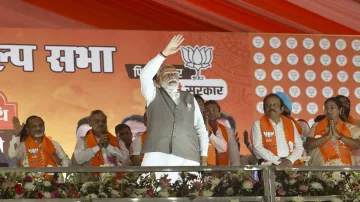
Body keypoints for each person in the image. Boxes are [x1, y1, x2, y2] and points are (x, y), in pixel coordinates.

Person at [139, 34, 209, 172]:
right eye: (166, 74)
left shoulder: (189, 98)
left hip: (188, 156)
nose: (172, 76)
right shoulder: (153, 95)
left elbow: (201, 129)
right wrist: (163, 54)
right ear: (157, 81)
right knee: (154, 191)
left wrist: (204, 156)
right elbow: (145, 75)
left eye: (174, 74)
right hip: (158, 156)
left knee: (189, 192)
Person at [251, 93, 304, 166]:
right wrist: (277, 161)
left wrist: (289, 160)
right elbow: (257, 147)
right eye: (268, 105)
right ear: (264, 109)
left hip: (289, 164)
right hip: (268, 165)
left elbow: (299, 146)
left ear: (282, 109)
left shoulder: (290, 123)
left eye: (275, 105)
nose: (271, 107)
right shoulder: (258, 124)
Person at [304, 97, 360, 166]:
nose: (328, 110)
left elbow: (357, 145)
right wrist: (326, 136)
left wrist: (339, 136)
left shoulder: (351, 128)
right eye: (326, 107)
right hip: (319, 171)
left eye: (332, 107)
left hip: (344, 171)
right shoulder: (316, 125)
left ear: (340, 109)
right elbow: (308, 145)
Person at [204, 100, 240, 165]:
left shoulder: (228, 131)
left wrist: (236, 171)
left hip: (224, 172)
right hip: (204, 170)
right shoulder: (199, 129)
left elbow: (234, 156)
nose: (211, 112)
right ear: (203, 113)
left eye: (214, 110)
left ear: (219, 113)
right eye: (207, 110)